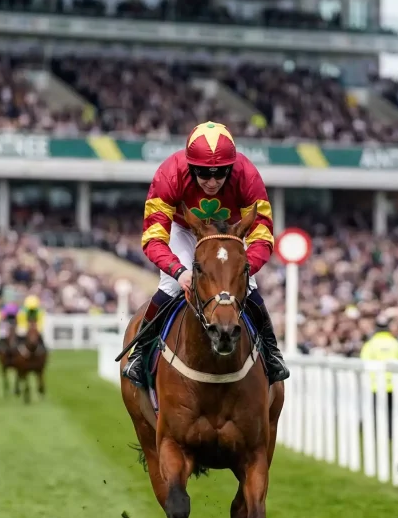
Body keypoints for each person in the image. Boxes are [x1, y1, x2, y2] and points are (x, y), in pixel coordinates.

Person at [122, 120, 289, 387]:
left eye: (220, 174)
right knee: (170, 286)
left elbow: (262, 235)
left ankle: (271, 352)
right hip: (185, 229)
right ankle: (141, 353)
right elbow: (153, 238)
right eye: (203, 173)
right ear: (190, 167)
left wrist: (241, 269)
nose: (212, 182)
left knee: (250, 286)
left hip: (229, 233)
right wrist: (179, 272)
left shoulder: (247, 175)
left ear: (231, 168)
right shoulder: (169, 174)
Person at [359, 313, 398, 442]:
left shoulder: (370, 344)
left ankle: (377, 433)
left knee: (377, 411)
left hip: (375, 384)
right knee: (391, 412)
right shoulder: (395, 343)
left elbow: (364, 362)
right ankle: (391, 434)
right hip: (393, 384)